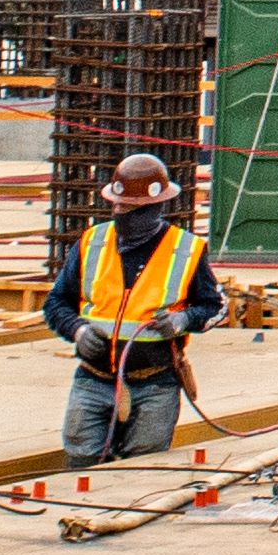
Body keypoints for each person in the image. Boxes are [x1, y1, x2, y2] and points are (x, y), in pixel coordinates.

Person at [42, 155, 226, 461]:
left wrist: (184, 319)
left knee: (141, 466)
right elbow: (56, 303)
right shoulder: (92, 243)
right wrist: (77, 330)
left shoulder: (185, 250)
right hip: (94, 378)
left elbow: (216, 307)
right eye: (115, 204)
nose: (117, 212)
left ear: (153, 208)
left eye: (126, 207)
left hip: (155, 384)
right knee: (82, 458)